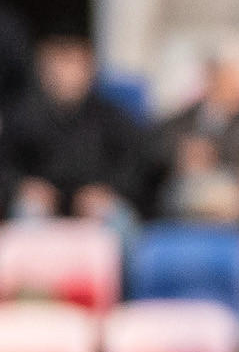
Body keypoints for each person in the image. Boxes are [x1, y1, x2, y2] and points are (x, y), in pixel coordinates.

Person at [142, 46, 239, 232]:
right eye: (219, 74)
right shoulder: (178, 124)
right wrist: (177, 159)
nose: (224, 83)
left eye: (231, 75)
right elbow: (149, 161)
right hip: (177, 215)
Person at [5, 37, 144, 221]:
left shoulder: (114, 118)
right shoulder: (22, 118)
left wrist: (109, 190)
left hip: (99, 202)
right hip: (42, 204)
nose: (66, 73)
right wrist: (22, 187)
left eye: (74, 63)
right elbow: (6, 164)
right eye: (58, 64)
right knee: (27, 214)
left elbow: (134, 165)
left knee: (119, 220)